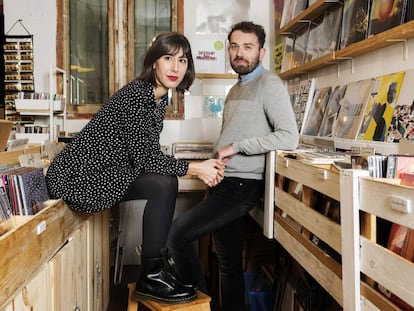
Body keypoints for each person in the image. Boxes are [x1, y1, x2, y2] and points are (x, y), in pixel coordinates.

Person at [45, 32, 225, 303]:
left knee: (165, 182)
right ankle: (152, 275)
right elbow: (146, 159)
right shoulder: (137, 95)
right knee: (164, 183)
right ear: (154, 62)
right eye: (168, 58)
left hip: (104, 172)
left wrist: (189, 166)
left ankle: (155, 271)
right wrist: (197, 168)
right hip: (77, 176)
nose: (176, 67)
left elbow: (146, 153)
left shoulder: (159, 98)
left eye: (183, 60)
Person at [167, 21, 299, 310]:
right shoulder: (235, 90)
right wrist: (212, 175)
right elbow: (228, 137)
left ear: (261, 52)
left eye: (247, 47)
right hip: (223, 183)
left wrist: (237, 147)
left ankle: (196, 305)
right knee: (228, 263)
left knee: (177, 235)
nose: (239, 53)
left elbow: (290, 137)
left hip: (242, 186)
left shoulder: (270, 84)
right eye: (235, 46)